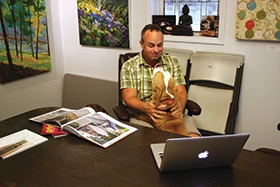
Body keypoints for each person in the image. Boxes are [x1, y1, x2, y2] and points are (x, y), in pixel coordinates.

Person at [120, 24, 200, 137]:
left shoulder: (173, 62)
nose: (156, 50)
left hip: (173, 112)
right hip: (144, 114)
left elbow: (181, 90)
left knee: (194, 141)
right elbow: (129, 98)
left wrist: (180, 107)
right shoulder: (129, 66)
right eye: (151, 45)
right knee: (156, 143)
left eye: (160, 45)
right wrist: (147, 108)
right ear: (141, 44)